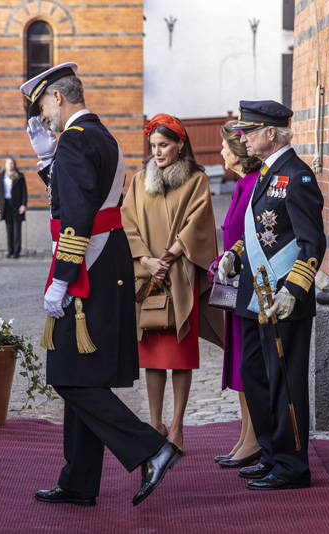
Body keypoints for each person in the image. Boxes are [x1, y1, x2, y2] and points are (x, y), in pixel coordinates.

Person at [21, 62, 181, 508]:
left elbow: (75, 214)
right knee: (82, 374)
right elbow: (85, 194)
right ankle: (79, 480)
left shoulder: (73, 140)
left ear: (58, 98)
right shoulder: (100, 135)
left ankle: (152, 449)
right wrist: (44, 162)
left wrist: (63, 279)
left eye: (44, 108)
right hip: (108, 258)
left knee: (69, 378)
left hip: (85, 264)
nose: (44, 120)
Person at [217, 100, 325, 490]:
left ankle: (292, 466)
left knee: (286, 384)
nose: (243, 137)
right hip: (252, 295)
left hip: (282, 299)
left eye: (249, 130)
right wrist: (234, 254)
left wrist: (294, 290)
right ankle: (269, 452)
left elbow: (311, 243)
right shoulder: (265, 174)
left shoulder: (297, 176)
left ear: (270, 134)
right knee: (256, 376)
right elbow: (263, 234)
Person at [121, 113, 223, 452]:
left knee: (180, 353)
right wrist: (147, 261)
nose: (158, 151)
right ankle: (154, 422)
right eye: (153, 146)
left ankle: (177, 426)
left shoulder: (196, 180)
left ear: (180, 144)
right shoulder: (138, 181)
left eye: (164, 145)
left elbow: (200, 222)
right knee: (151, 354)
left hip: (179, 275)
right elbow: (128, 222)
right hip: (149, 277)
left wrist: (169, 256)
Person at [207, 121, 262, 468]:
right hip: (234, 284)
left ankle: (255, 438)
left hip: (248, 289)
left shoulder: (254, 184)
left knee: (247, 364)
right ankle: (247, 434)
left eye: (226, 147)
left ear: (240, 152)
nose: (222, 152)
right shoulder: (242, 184)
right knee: (239, 361)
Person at [0, 157, 28, 258]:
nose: (10, 165)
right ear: (5, 165)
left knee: (17, 229)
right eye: (8, 163)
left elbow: (24, 192)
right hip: (6, 205)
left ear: (14, 165)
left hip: (17, 205)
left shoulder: (20, 176)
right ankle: (10, 251)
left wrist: (23, 205)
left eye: (12, 163)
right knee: (9, 229)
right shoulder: (1, 176)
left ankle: (16, 252)